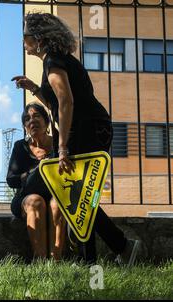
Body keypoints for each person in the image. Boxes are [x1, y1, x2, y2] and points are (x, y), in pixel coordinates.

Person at [12, 12, 140, 265]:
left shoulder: (53, 61)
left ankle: (117, 248)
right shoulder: (58, 60)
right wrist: (35, 89)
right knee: (80, 195)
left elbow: (66, 101)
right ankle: (109, 252)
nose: (22, 41)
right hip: (90, 127)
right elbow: (57, 102)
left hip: (86, 130)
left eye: (25, 36)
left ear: (38, 38)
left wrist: (61, 148)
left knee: (72, 193)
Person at [7, 102, 65, 261]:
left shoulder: (59, 144)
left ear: (47, 122)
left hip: (56, 194)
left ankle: (56, 259)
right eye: (27, 119)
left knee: (57, 203)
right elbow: (11, 179)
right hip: (26, 197)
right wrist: (31, 173)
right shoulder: (20, 146)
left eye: (36, 116)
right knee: (36, 201)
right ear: (25, 127)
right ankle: (39, 259)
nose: (31, 121)